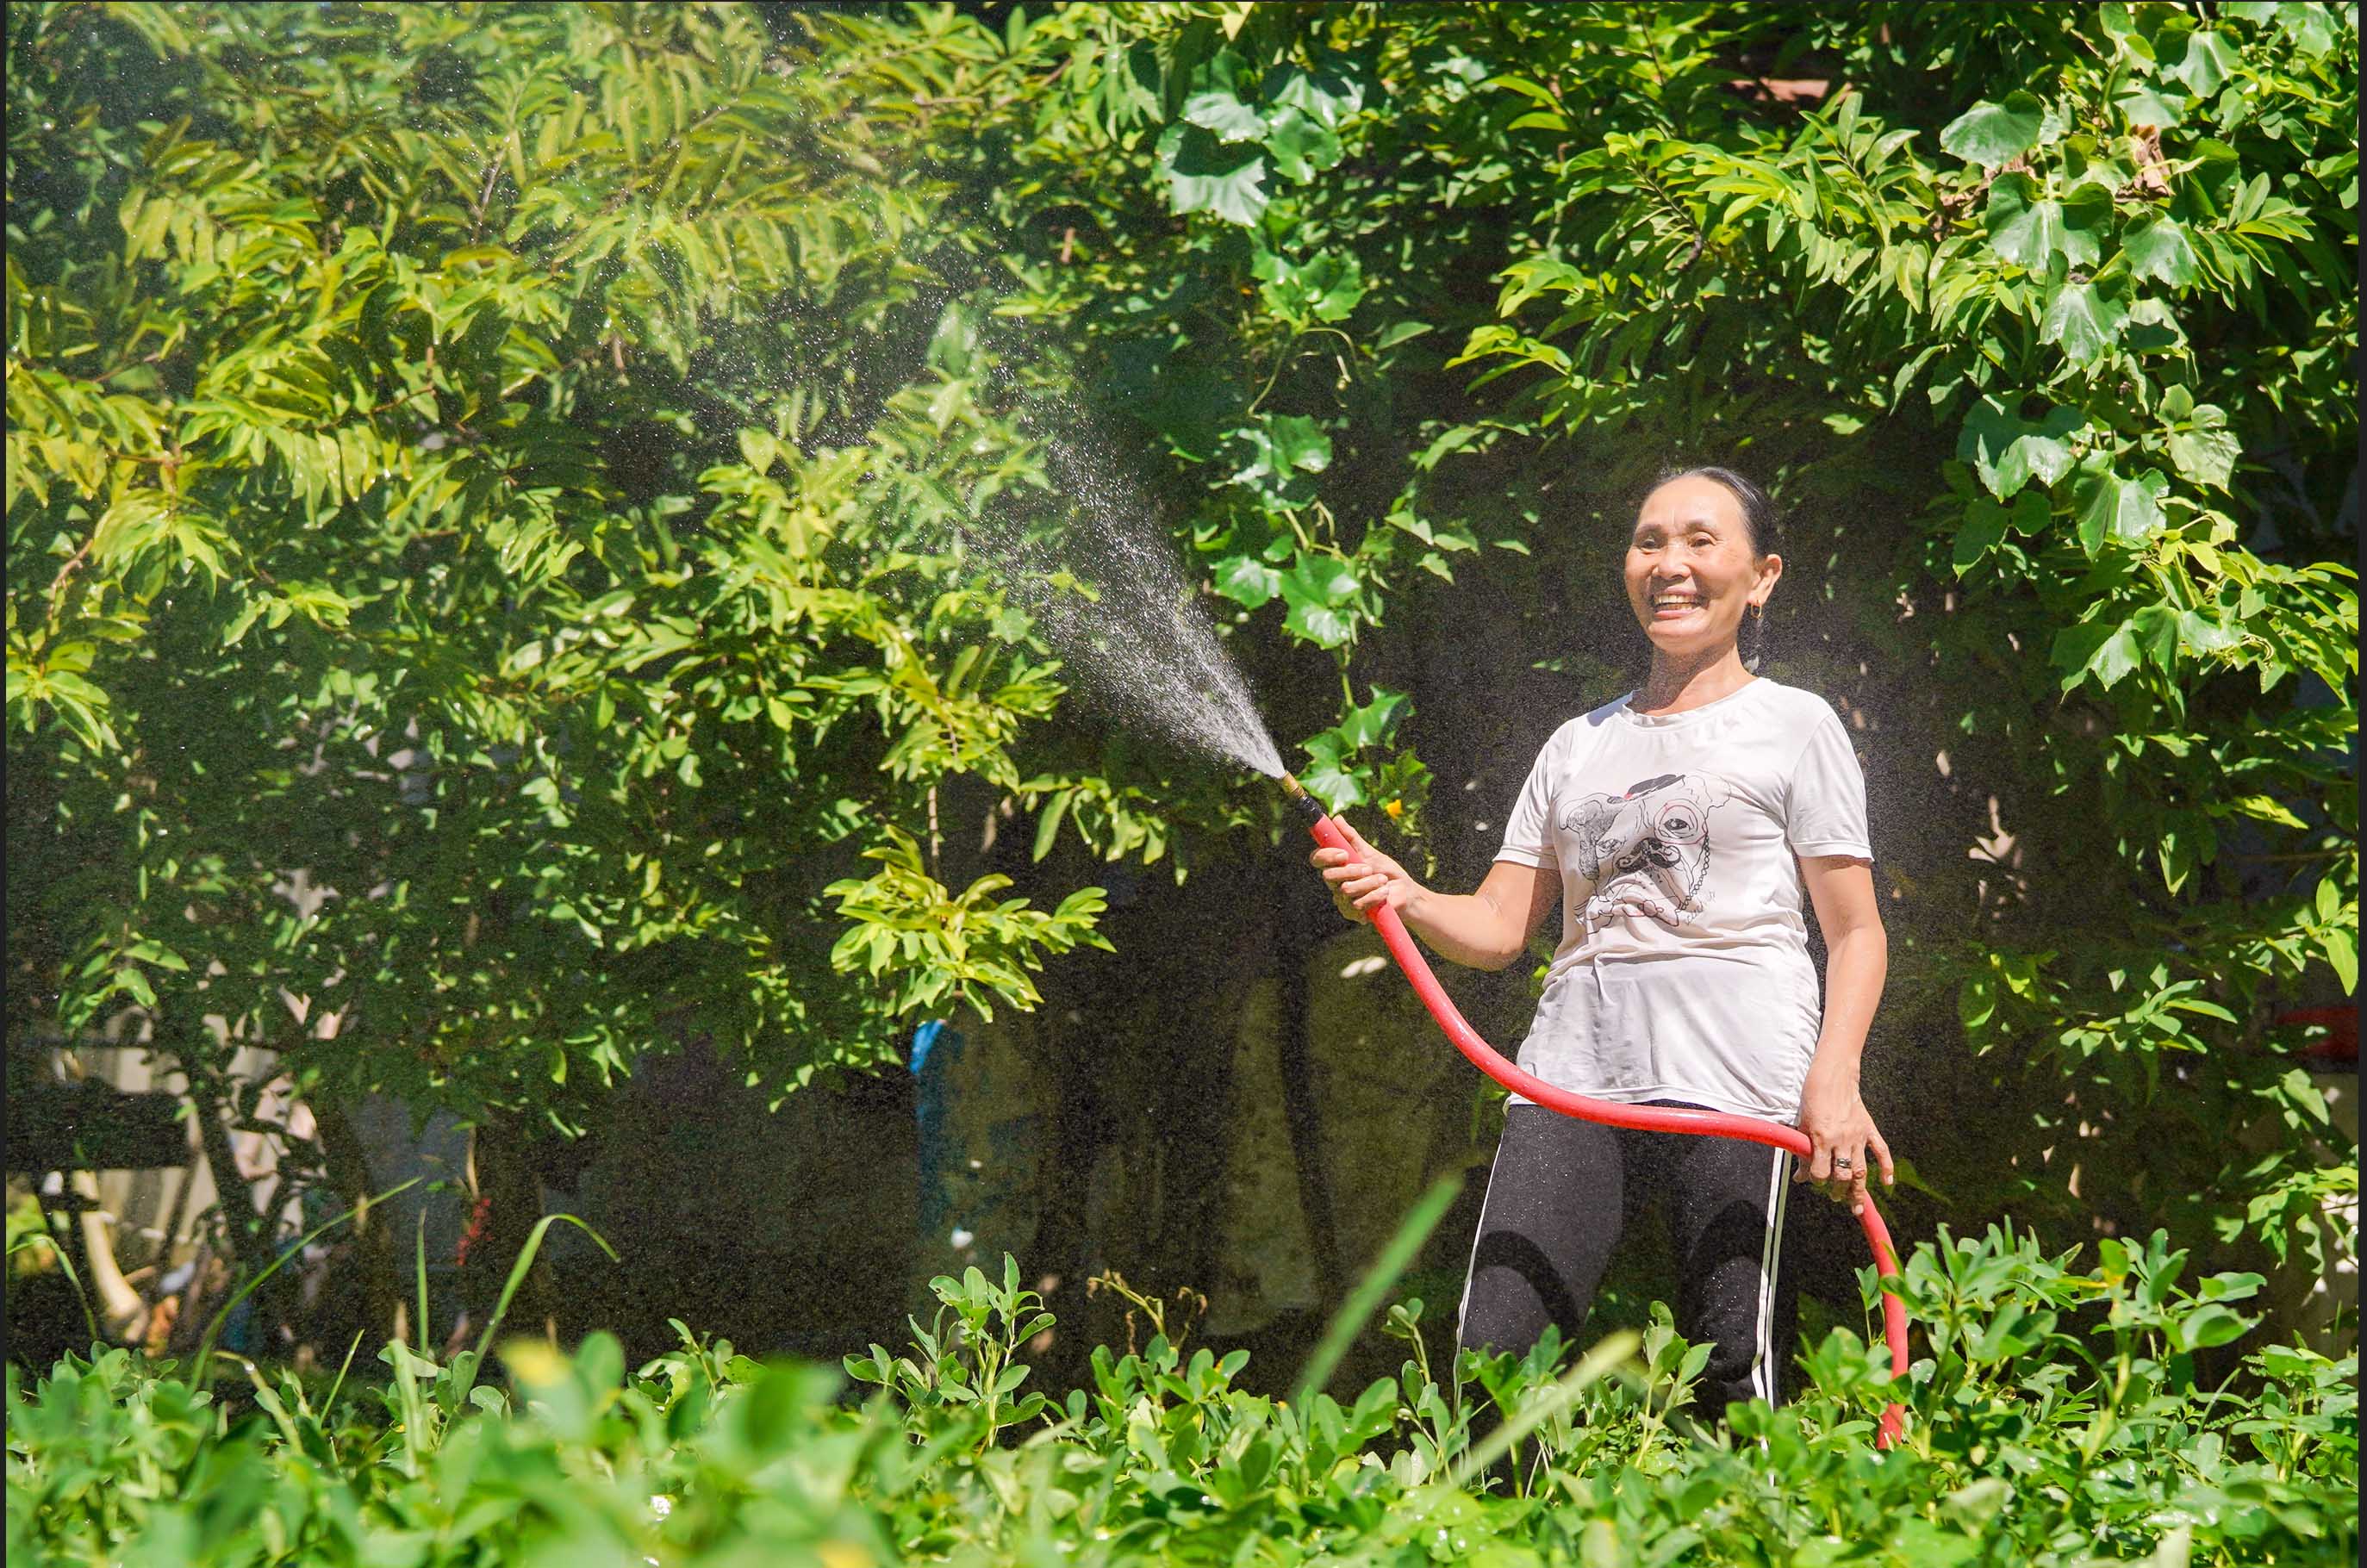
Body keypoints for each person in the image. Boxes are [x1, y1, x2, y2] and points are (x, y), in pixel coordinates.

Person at [1310, 466, 1891, 1416]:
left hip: (1740, 1080)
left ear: (1761, 577)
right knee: (1492, 1362)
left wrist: (1833, 1080)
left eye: (1700, 541)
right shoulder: (1576, 744)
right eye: (1648, 541)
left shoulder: (1794, 724)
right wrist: (1403, 895)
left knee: (1731, 1372)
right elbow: (1499, 928)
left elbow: (1855, 930)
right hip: (1572, 1076)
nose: (1669, 564)